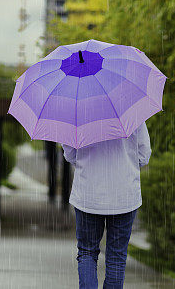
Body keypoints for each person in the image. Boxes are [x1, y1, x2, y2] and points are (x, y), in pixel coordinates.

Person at [61, 121, 151, 289]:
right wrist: (125, 165)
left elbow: (70, 155)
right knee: (117, 257)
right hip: (124, 196)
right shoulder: (131, 112)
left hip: (88, 195)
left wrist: (89, 165)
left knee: (87, 253)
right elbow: (144, 155)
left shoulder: (78, 114)